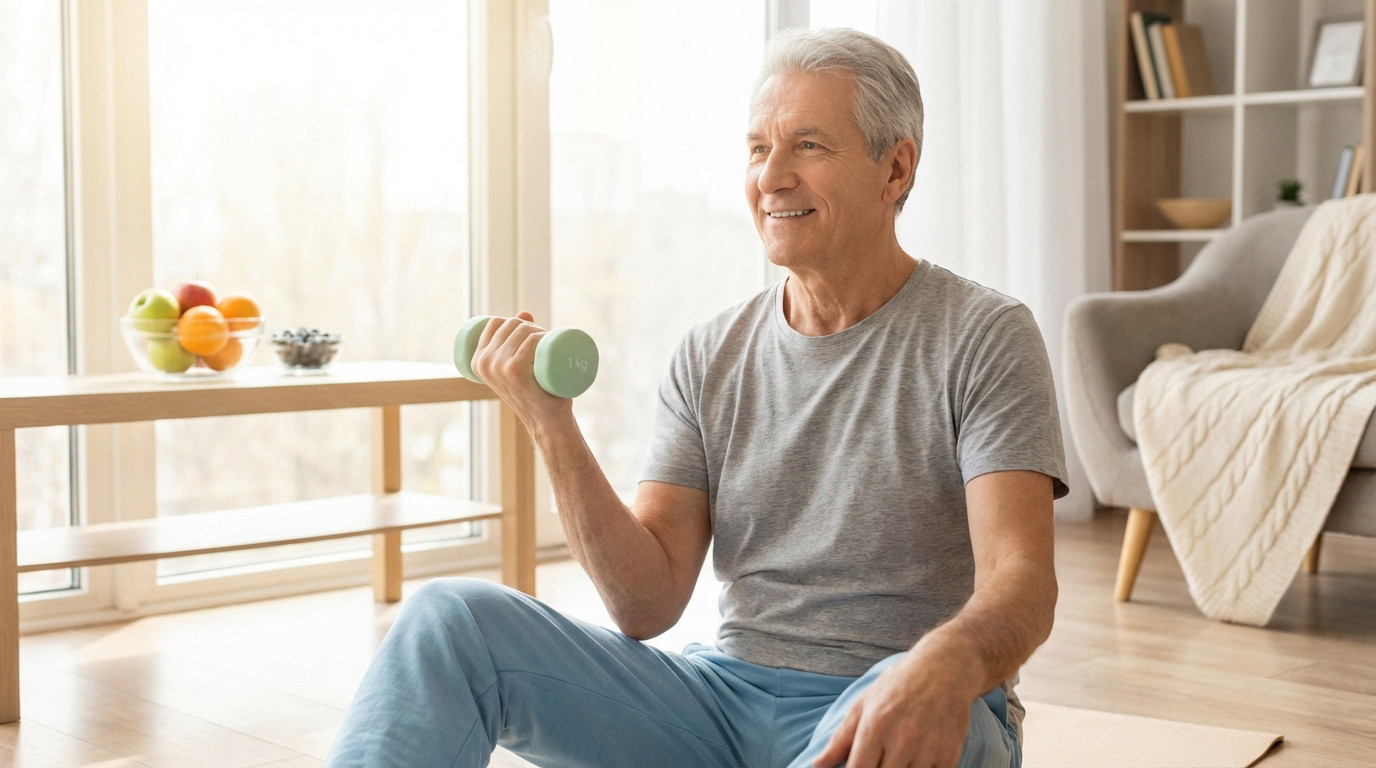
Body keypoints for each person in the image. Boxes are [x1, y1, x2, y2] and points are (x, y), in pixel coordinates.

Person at [327, 27, 1067, 768]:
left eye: (808, 146)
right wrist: (550, 422)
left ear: (895, 167)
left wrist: (946, 663)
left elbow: (1022, 580)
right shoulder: (711, 353)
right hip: (719, 703)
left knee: (905, 701)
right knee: (448, 620)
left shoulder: (984, 335)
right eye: (756, 149)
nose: (770, 177)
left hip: (900, 698)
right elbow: (645, 603)